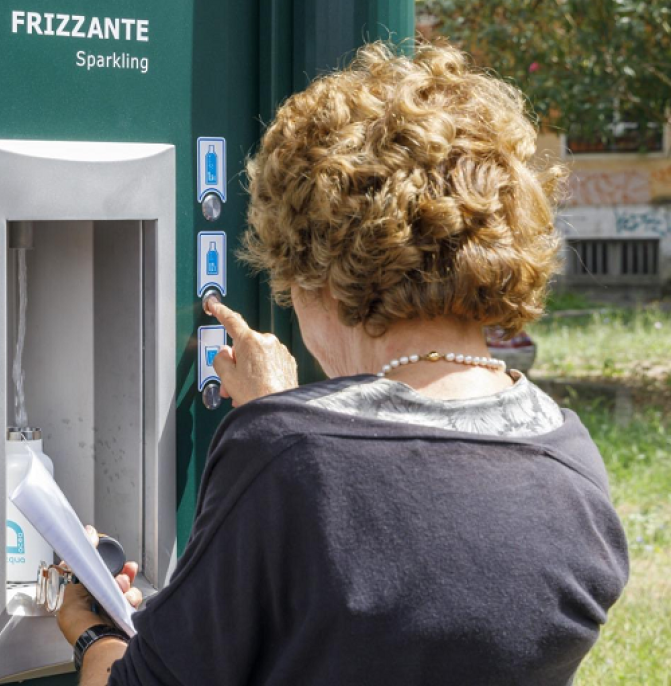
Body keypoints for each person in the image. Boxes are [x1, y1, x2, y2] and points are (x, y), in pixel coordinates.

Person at [56, 41, 629, 685]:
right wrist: (286, 414)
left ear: (316, 269)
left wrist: (94, 631)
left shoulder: (287, 456)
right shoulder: (572, 462)